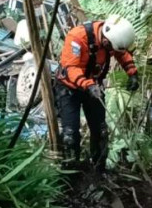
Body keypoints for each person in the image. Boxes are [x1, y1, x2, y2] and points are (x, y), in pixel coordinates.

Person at [56, 15, 139, 171]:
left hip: (93, 87)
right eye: (111, 49)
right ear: (106, 42)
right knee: (69, 135)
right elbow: (70, 68)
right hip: (69, 87)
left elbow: (122, 53)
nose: (112, 52)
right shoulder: (77, 37)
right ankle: (70, 173)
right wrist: (88, 85)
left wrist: (132, 73)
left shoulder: (113, 39)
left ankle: (98, 171)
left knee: (101, 131)